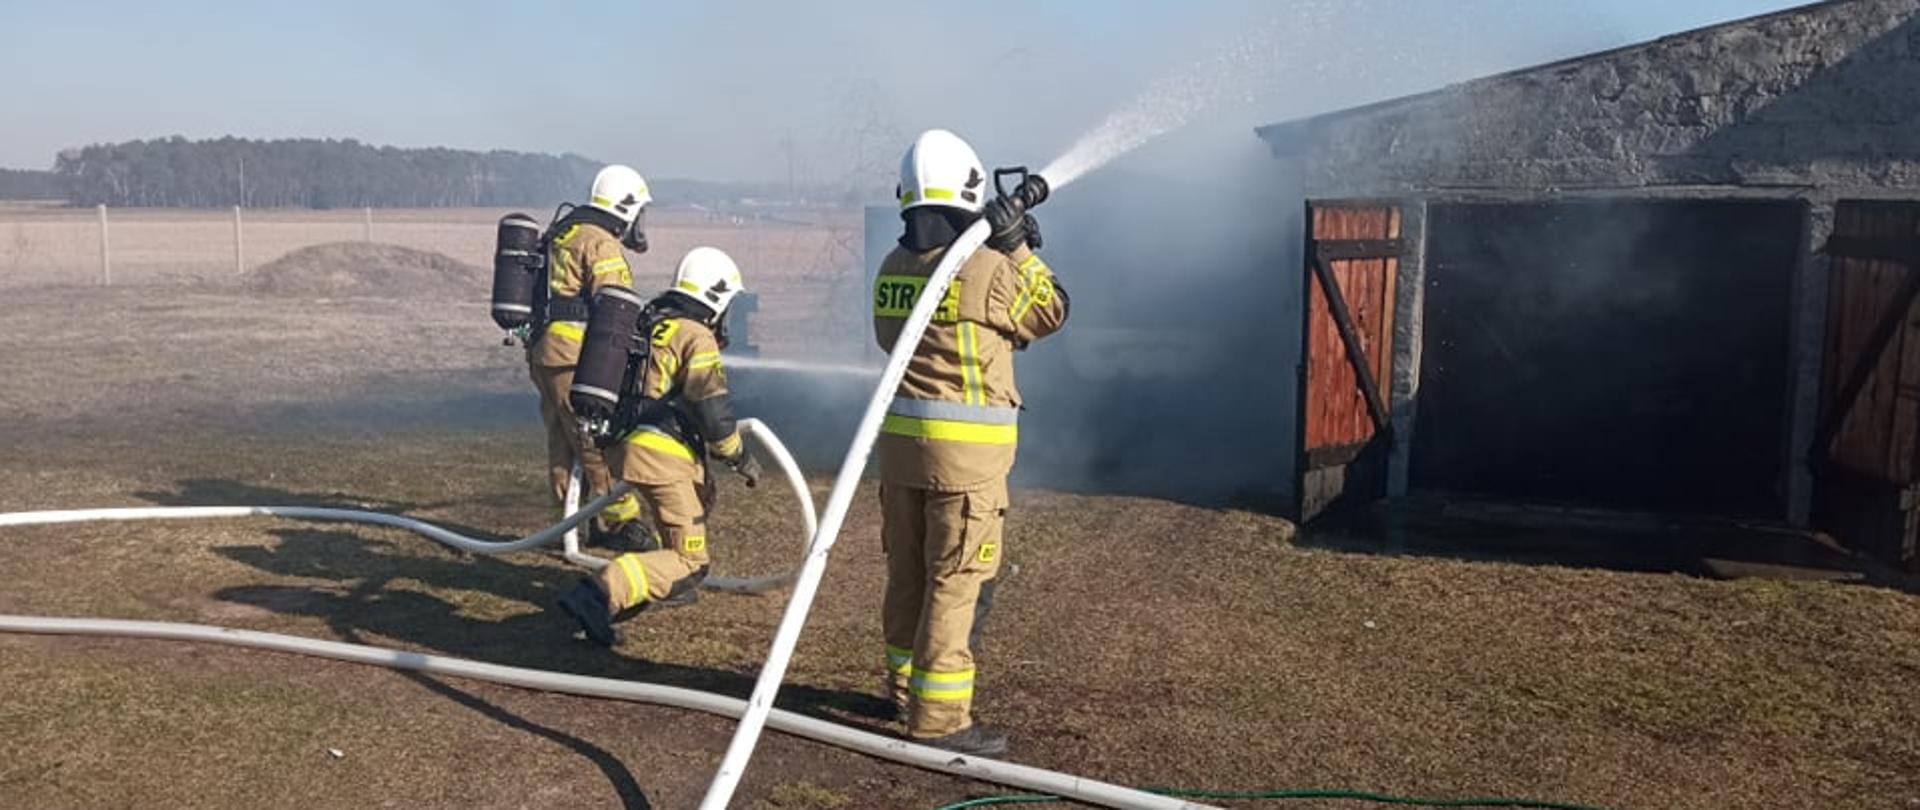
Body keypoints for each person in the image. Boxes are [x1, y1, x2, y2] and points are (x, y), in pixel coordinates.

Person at [871, 129, 1069, 756]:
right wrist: (1017, 248)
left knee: (907, 575)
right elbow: (1051, 311)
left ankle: (901, 688)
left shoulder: (893, 266)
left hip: (900, 455)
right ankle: (939, 719)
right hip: (966, 467)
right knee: (956, 584)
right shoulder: (986, 267)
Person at [556, 247, 762, 646]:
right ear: (716, 296)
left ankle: (605, 611)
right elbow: (713, 409)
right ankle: (597, 595)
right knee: (690, 561)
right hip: (661, 455)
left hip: (628, 445)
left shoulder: (650, 321)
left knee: (677, 541)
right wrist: (738, 455)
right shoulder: (695, 335)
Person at [528, 165, 651, 547]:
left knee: (562, 440)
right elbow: (616, 306)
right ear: (625, 206)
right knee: (595, 436)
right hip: (574, 354)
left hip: (545, 352)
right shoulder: (600, 242)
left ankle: (565, 526)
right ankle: (620, 523)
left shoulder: (566, 230)